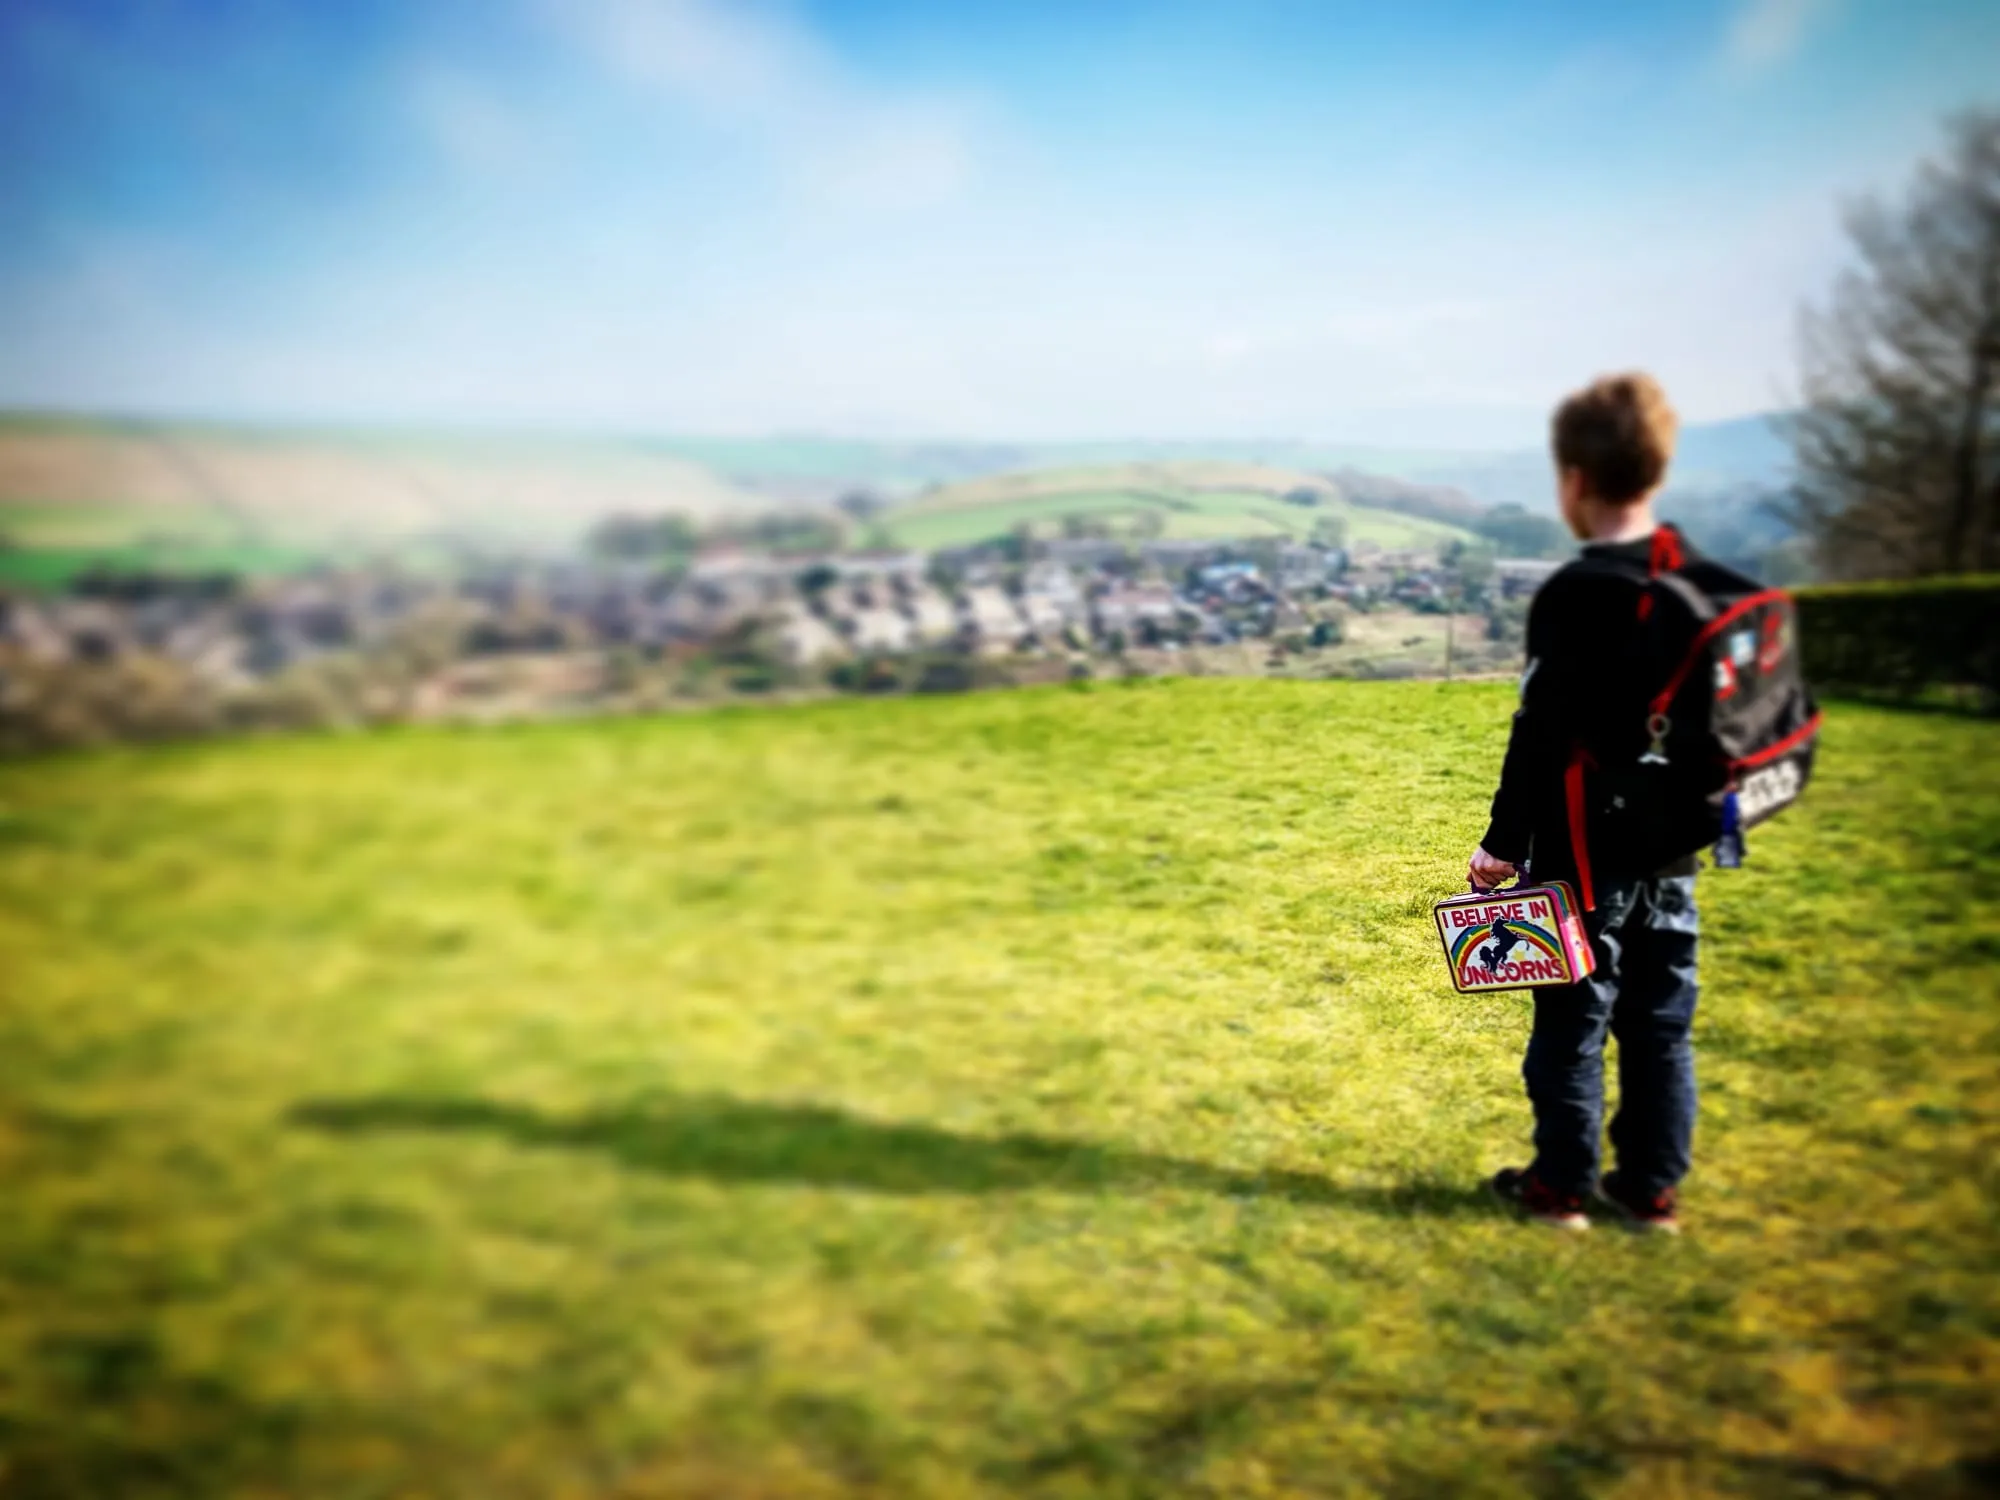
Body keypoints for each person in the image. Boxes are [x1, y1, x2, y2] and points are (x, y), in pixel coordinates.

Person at [1472, 372, 1698, 1235]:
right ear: (1658, 470)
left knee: (1572, 1024)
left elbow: (1541, 732)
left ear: (1571, 480)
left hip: (1580, 855)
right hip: (1671, 852)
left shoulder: (1576, 593)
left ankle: (1560, 1188)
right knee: (1661, 1027)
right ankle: (1648, 1193)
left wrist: (1502, 843)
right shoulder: (1697, 582)